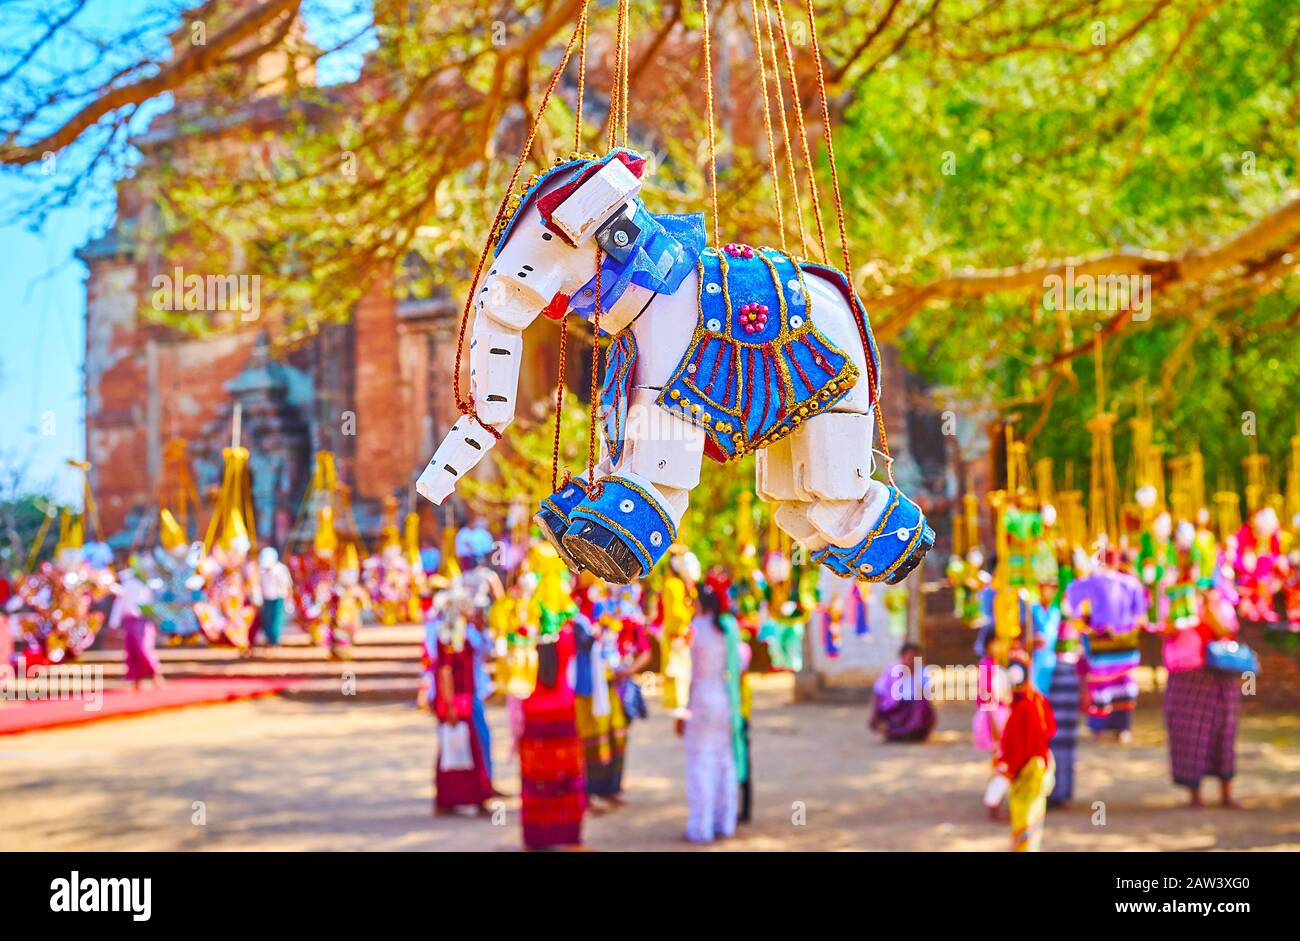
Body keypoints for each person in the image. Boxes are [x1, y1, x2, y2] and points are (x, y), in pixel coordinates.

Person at [1163, 552, 1244, 808]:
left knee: (1224, 735)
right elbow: (1166, 631)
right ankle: (1194, 794)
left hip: (1219, 677)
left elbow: (1226, 631)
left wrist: (1209, 609)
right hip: (1187, 676)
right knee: (1190, 737)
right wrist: (1181, 612)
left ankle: (1226, 793)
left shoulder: (1221, 603)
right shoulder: (1174, 599)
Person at [676, 577, 749, 843]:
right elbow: (741, 661)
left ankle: (701, 827)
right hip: (724, 699)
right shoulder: (729, 629)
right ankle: (725, 822)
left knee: (700, 764)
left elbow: (687, 672)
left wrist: (682, 710)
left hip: (701, 700)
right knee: (724, 762)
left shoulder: (695, 629)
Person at [519, 620, 585, 849]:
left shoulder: (527, 633)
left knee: (536, 782)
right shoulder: (566, 637)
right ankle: (568, 836)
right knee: (566, 779)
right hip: (563, 711)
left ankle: (536, 838)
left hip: (534, 712)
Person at [431, 589, 494, 816]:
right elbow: (446, 671)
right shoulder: (449, 635)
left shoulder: (460, 632)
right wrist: (449, 705)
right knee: (466, 748)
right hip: (456, 700)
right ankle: (471, 799)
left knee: (463, 748)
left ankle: (453, 800)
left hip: (466, 696)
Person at [994, 649, 1056, 852]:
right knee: (1032, 821)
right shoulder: (1037, 700)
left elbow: (1019, 748)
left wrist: (1006, 770)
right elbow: (1050, 729)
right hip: (1039, 768)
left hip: (1028, 773)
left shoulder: (1024, 709)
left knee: (1025, 820)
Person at [110, 561, 164, 689]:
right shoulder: (127, 584)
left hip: (142, 621)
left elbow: (152, 602)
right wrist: (114, 623)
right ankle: (137, 680)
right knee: (131, 650)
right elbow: (119, 604)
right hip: (129, 621)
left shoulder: (146, 584)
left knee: (143, 648)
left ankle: (155, 674)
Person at [870, 641, 936, 742]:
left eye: (915, 658)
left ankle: (913, 731)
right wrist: (875, 716)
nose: (912, 662)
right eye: (910, 658)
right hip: (895, 707)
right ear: (902, 657)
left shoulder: (921, 671)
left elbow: (927, 693)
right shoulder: (891, 671)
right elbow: (879, 691)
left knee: (921, 705)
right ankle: (896, 733)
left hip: (915, 707)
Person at [256, 547, 292, 646]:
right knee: (267, 618)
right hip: (266, 598)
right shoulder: (261, 570)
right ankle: (268, 637)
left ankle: (274, 640)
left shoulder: (281, 570)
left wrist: (289, 600)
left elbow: (287, 585)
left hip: (278, 598)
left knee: (276, 619)